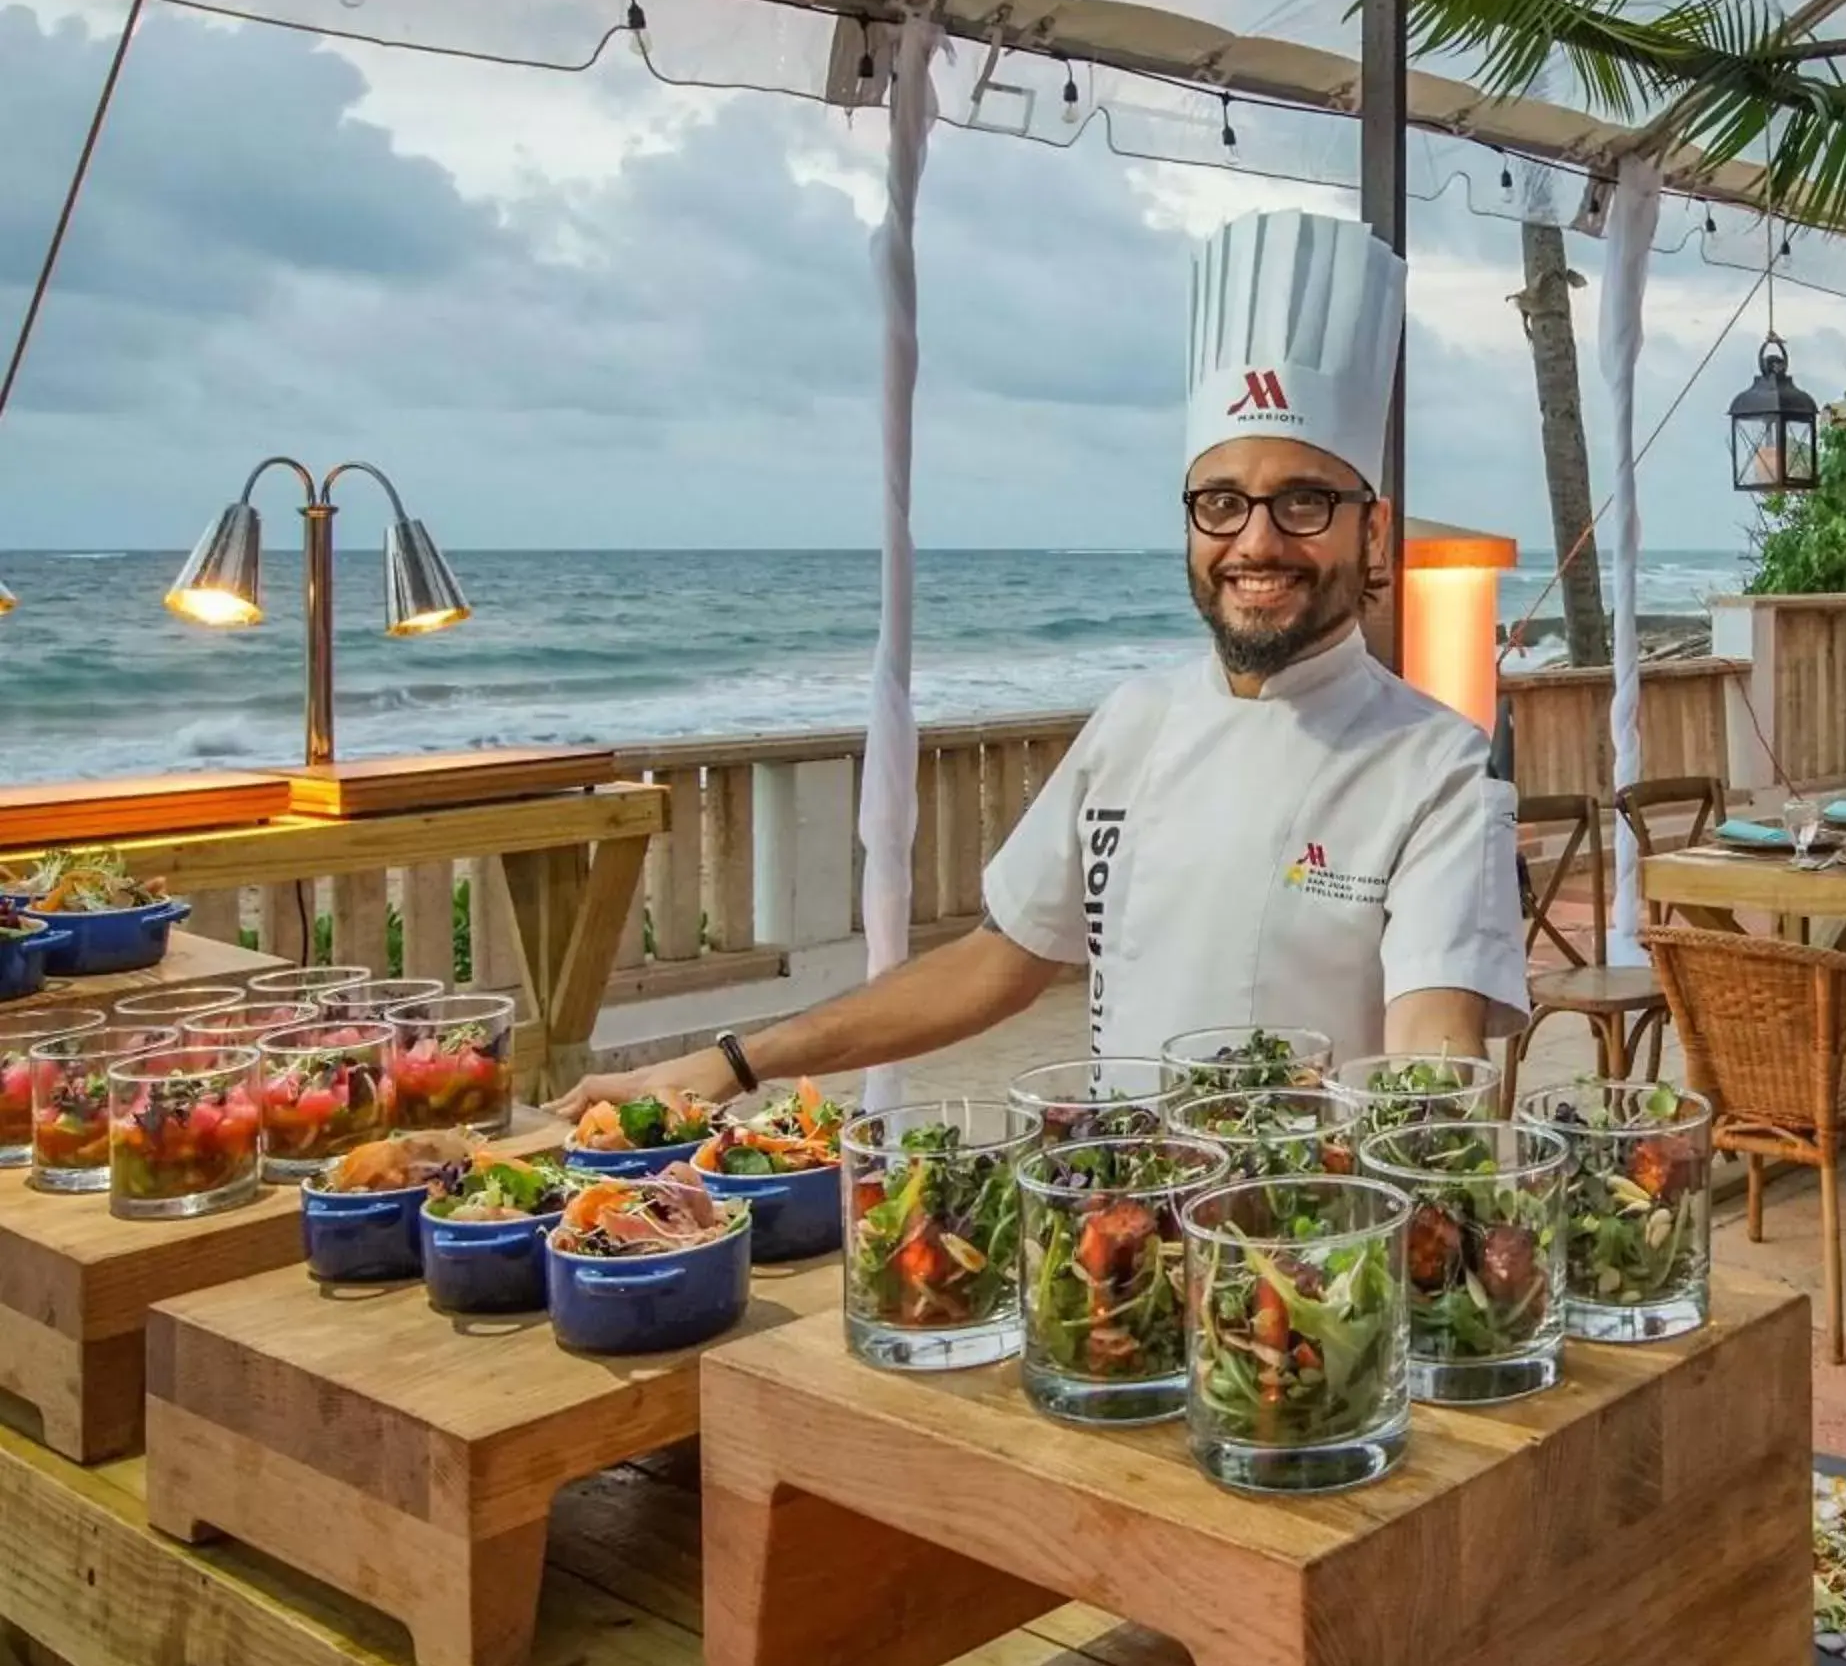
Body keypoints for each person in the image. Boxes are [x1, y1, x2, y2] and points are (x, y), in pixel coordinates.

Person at [552, 210, 1526, 1115]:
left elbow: (1431, 1044)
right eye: (1220, 502)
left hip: (1307, 1257)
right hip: (1117, 1234)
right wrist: (735, 1063)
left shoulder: (1438, 769)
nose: (1256, 542)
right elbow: (997, 960)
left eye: (1303, 502)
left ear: (1374, 532)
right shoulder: (1132, 724)